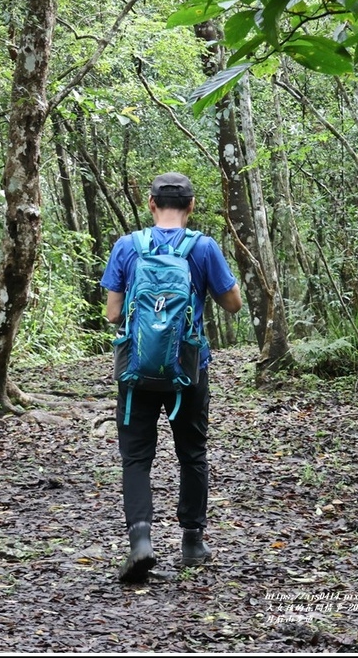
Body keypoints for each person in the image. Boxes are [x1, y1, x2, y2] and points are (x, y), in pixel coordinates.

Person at [100, 172, 242, 583]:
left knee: (137, 457)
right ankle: (193, 543)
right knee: (192, 454)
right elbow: (232, 304)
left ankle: (141, 541)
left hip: (135, 370)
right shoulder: (203, 247)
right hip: (189, 370)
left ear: (150, 204)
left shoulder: (128, 246)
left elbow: (112, 314)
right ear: (192, 207)